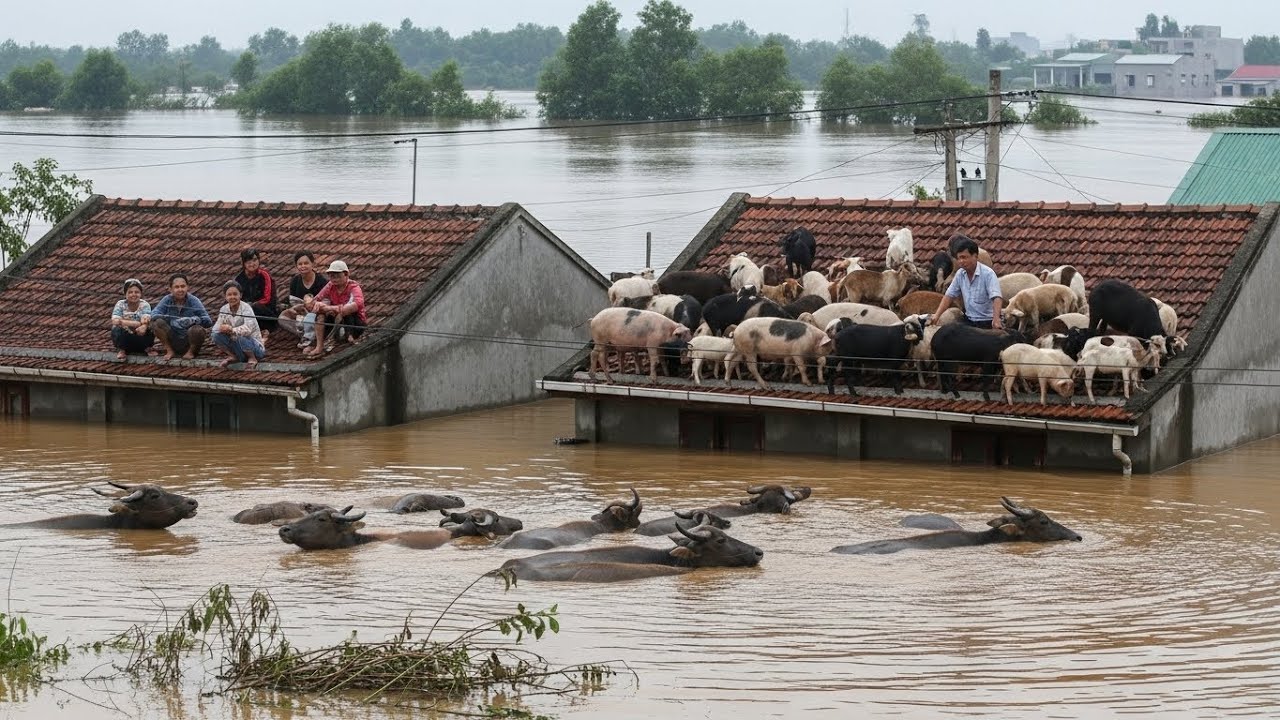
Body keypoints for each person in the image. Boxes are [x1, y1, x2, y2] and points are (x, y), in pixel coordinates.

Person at [930, 234, 1003, 330]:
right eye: (959, 258)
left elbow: (996, 297)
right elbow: (949, 296)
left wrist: (996, 319)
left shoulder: (988, 274)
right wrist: (937, 315)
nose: (961, 261)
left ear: (975, 256)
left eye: (964, 257)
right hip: (969, 320)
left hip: (987, 321)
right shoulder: (960, 274)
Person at [307, 260, 366, 358]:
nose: (334, 279)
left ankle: (350, 337)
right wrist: (316, 304)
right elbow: (316, 299)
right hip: (335, 319)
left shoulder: (353, 287)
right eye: (331, 276)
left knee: (345, 313)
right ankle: (319, 346)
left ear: (346, 275)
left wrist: (329, 308)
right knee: (320, 315)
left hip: (354, 322)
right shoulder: (330, 286)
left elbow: (356, 305)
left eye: (337, 275)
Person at [151, 273, 213, 361]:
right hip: (173, 337)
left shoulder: (194, 301)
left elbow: (208, 321)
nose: (180, 289)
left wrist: (193, 320)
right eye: (176, 287)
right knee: (157, 323)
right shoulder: (167, 300)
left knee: (197, 330)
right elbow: (153, 314)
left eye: (183, 286)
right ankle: (169, 350)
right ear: (170, 289)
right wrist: (171, 319)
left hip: (189, 339)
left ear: (187, 287)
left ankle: (191, 352)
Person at [277, 250, 328, 352]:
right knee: (282, 317)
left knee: (319, 318)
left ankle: (312, 337)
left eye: (306, 263)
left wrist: (312, 306)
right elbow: (293, 301)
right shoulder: (295, 281)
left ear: (312, 264)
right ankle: (305, 334)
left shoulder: (321, 281)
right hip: (301, 314)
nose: (303, 266)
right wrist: (294, 308)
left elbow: (326, 302)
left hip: (316, 315)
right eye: (300, 264)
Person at [211, 281, 266, 369]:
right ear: (225, 296)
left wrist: (232, 330)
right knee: (215, 335)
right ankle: (233, 356)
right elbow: (215, 328)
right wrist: (221, 328)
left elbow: (248, 329)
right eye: (229, 295)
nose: (232, 297)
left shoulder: (246, 308)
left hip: (255, 348)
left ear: (240, 295)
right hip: (239, 349)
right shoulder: (224, 309)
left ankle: (252, 358)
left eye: (235, 294)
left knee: (241, 335)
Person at [233, 248, 278, 342]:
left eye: (254, 260)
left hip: (265, 312)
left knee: (255, 307)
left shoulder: (264, 276)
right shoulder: (239, 279)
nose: (252, 264)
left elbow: (267, 298)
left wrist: (250, 305)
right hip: (246, 312)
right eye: (248, 261)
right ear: (243, 263)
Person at [110, 278, 154, 360]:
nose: (133, 294)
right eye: (130, 292)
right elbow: (115, 321)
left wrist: (123, 322)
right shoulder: (120, 304)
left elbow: (145, 320)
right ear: (125, 294)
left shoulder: (144, 305)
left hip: (140, 336)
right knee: (116, 329)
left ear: (141, 294)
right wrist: (136, 324)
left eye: (136, 292)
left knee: (150, 328)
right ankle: (122, 350)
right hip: (125, 337)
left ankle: (147, 348)